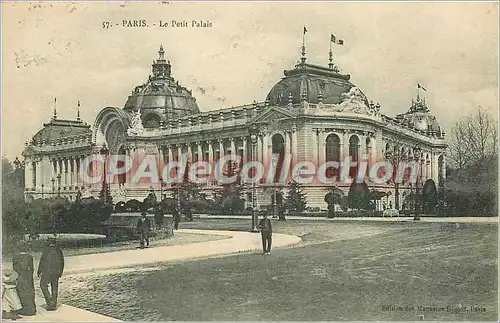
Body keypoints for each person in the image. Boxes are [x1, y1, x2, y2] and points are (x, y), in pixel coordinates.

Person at [37, 238, 64, 311]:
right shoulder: (59, 251)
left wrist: (39, 271)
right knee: (54, 287)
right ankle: (54, 304)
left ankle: (49, 302)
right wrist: (60, 272)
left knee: (43, 285)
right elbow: (62, 263)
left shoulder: (46, 251)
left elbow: (42, 262)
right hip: (56, 272)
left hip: (47, 272)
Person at [12, 243, 36, 316]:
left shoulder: (15, 257)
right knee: (30, 292)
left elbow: (14, 269)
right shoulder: (29, 257)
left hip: (20, 277)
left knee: (21, 293)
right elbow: (32, 269)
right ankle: (32, 309)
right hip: (28, 277)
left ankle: (25, 309)